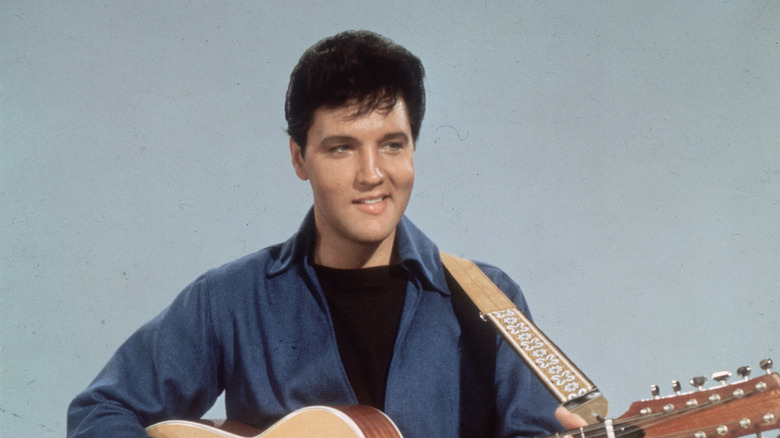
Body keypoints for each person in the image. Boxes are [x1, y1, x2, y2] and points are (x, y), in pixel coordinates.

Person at [67, 30, 586, 438]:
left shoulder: (490, 301)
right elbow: (100, 411)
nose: (371, 174)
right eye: (341, 147)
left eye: (392, 145)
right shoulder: (229, 301)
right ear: (299, 158)